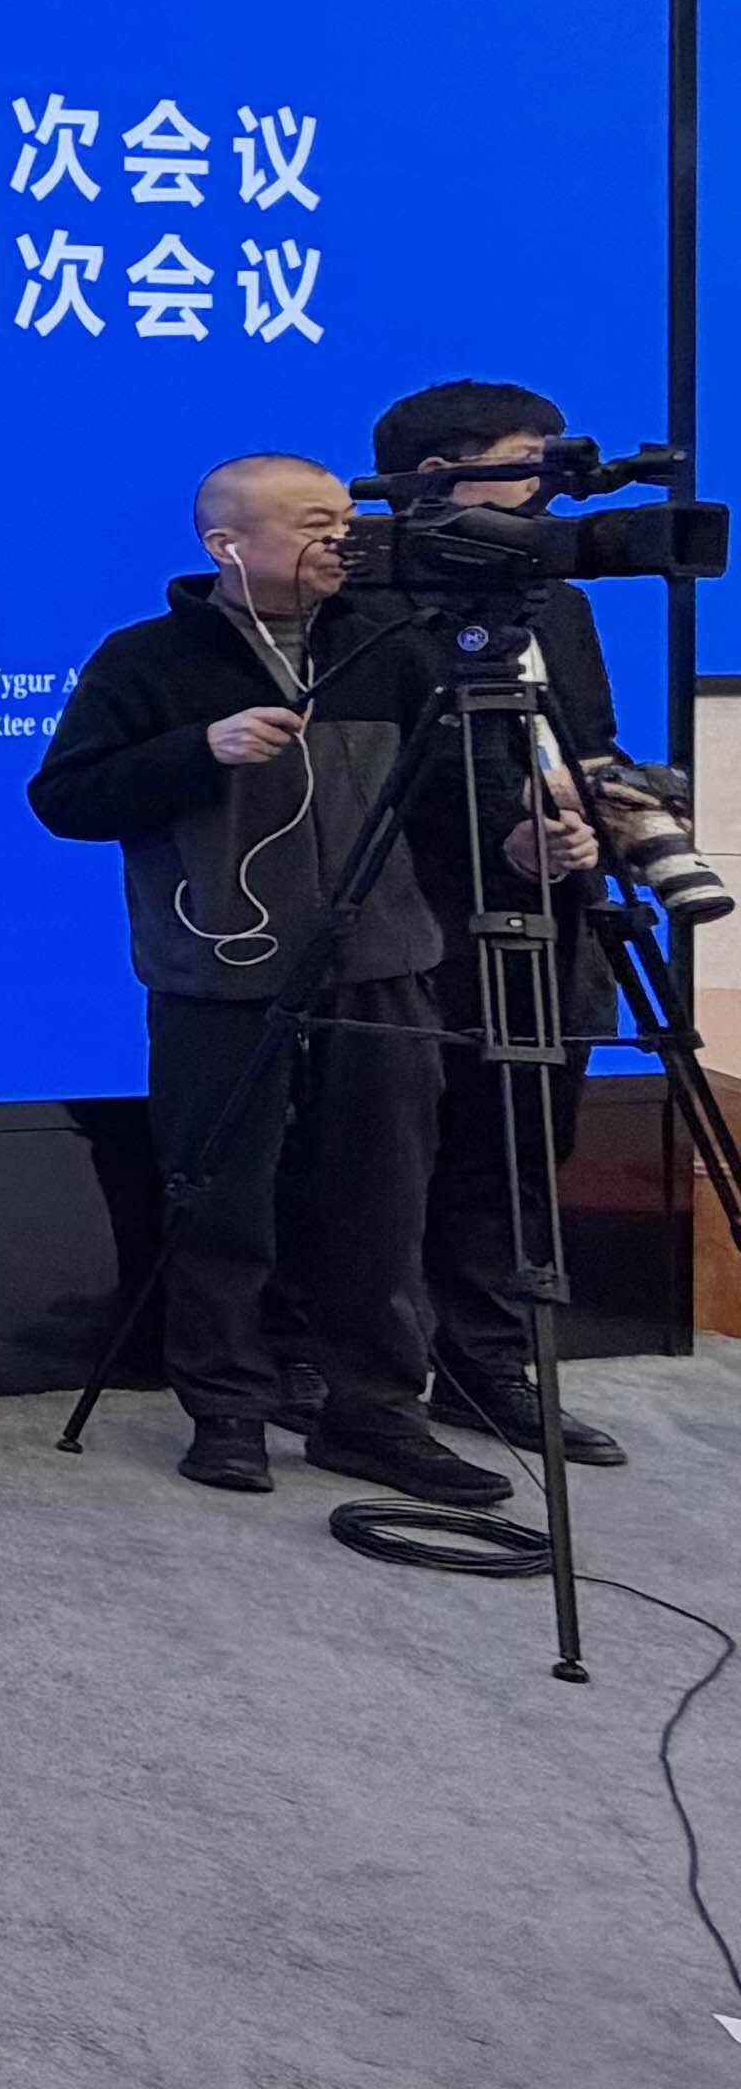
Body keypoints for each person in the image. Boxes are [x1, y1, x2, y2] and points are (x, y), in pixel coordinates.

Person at [29, 456, 516, 1506]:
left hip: (383, 967)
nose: (340, 539)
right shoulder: (146, 658)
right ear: (226, 546)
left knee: (382, 1200)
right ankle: (228, 1411)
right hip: (219, 969)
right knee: (219, 1202)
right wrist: (197, 749)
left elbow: (452, 800)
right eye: (310, 523)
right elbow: (65, 799)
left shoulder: (394, 645)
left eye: (344, 519)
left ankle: (375, 1416)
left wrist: (525, 840)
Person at [365, 380, 629, 1470]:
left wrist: (590, 823)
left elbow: (589, 739)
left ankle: (489, 1366)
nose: (548, 489)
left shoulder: (554, 598)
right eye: (529, 464)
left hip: (552, 917)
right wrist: (498, 829)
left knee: (521, 1146)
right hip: (414, 919)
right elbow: (369, 769)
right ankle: (364, 1378)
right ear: (441, 474)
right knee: (397, 1155)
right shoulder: (367, 595)